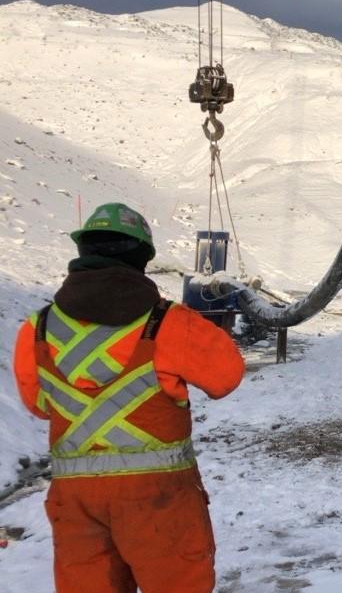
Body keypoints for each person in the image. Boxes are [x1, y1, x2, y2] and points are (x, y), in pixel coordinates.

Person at [11, 203, 245, 592]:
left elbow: (38, 405)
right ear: (142, 259)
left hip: (76, 502)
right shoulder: (170, 321)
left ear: (83, 254)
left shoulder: (36, 330)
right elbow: (226, 378)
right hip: (159, 500)